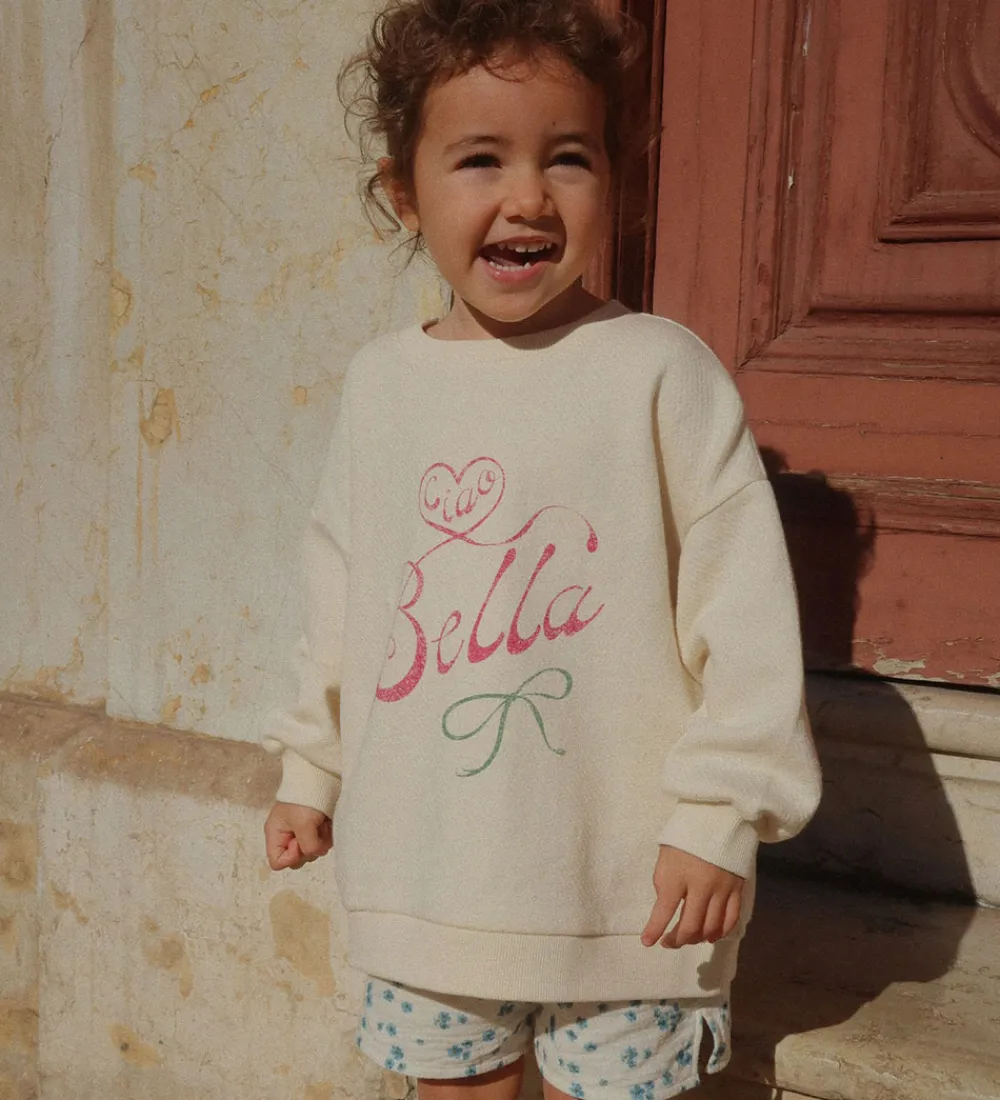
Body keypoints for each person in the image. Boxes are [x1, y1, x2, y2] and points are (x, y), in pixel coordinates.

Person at [262, 1, 822, 1097]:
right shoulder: (382, 387)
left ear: (613, 178)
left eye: (567, 157)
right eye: (481, 159)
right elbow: (342, 594)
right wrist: (310, 767)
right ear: (403, 192)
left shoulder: (659, 372)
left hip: (628, 898)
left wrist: (721, 814)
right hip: (431, 880)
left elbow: (745, 613)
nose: (527, 196)